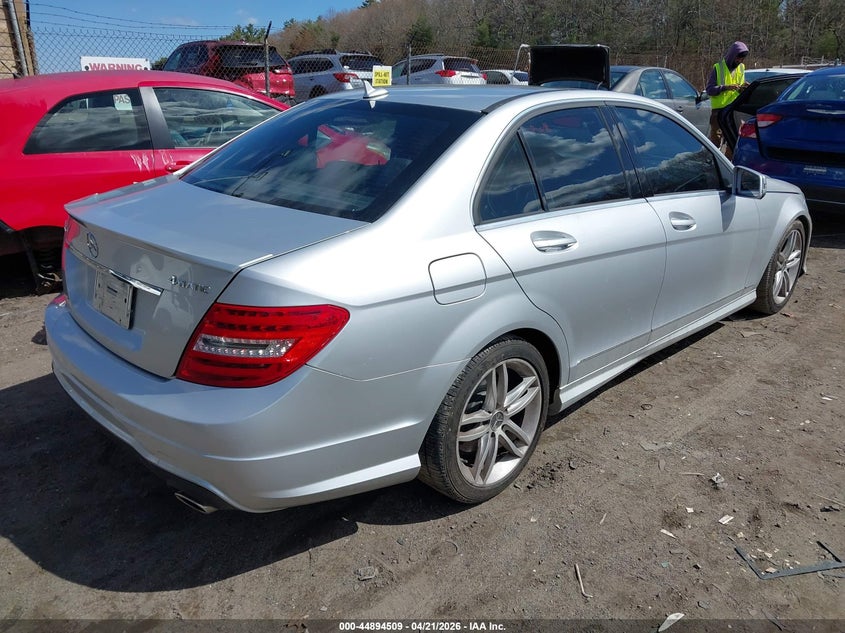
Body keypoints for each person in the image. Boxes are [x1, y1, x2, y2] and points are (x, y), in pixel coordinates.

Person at [706, 41, 749, 159]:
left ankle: (727, 165)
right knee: (715, 142)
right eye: (738, 58)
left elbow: (739, 87)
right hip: (719, 113)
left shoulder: (741, 68)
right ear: (732, 55)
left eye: (742, 59)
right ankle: (712, 163)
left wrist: (744, 88)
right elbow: (709, 90)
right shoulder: (718, 67)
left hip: (734, 111)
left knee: (733, 141)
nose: (740, 61)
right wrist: (725, 87)